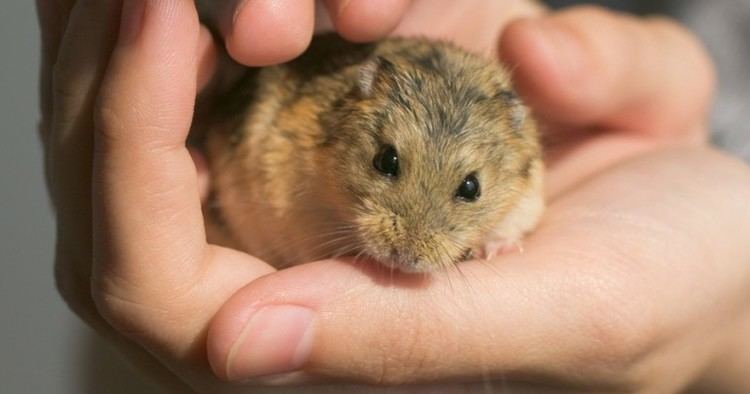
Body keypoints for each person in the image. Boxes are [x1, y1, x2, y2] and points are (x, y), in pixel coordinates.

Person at [38, 0, 750, 391]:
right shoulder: (322, 118)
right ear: (361, 123)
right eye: (387, 167)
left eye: (467, 191)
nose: (413, 238)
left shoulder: (518, 147)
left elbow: (524, 197)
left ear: (509, 157)